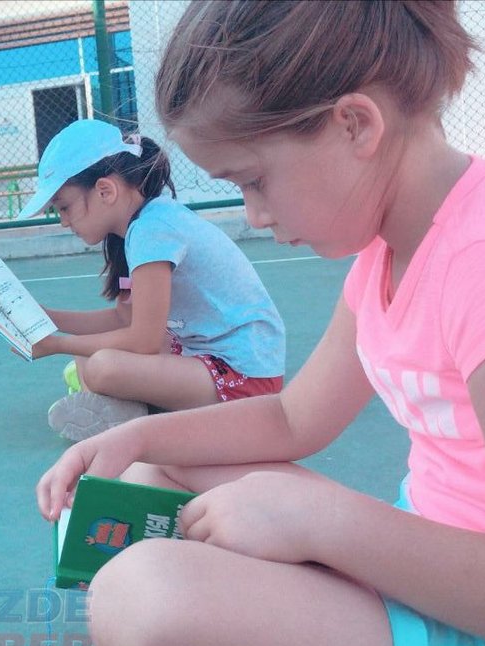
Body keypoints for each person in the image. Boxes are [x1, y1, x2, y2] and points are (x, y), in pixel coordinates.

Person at [36, 2, 485, 646]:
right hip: (440, 566)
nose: (253, 214)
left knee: (143, 600)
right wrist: (137, 436)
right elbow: (292, 417)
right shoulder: (390, 251)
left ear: (355, 124)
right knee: (151, 472)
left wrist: (323, 521)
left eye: (253, 180)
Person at [17, 119, 285, 442]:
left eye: (64, 207)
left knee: (102, 367)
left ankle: (125, 417)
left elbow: (143, 339)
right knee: (87, 355)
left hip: (244, 376)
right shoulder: (142, 225)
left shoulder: (151, 230)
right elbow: (124, 318)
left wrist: (57, 344)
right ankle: (122, 411)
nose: (63, 221)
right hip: (203, 355)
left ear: (105, 191)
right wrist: (47, 318)